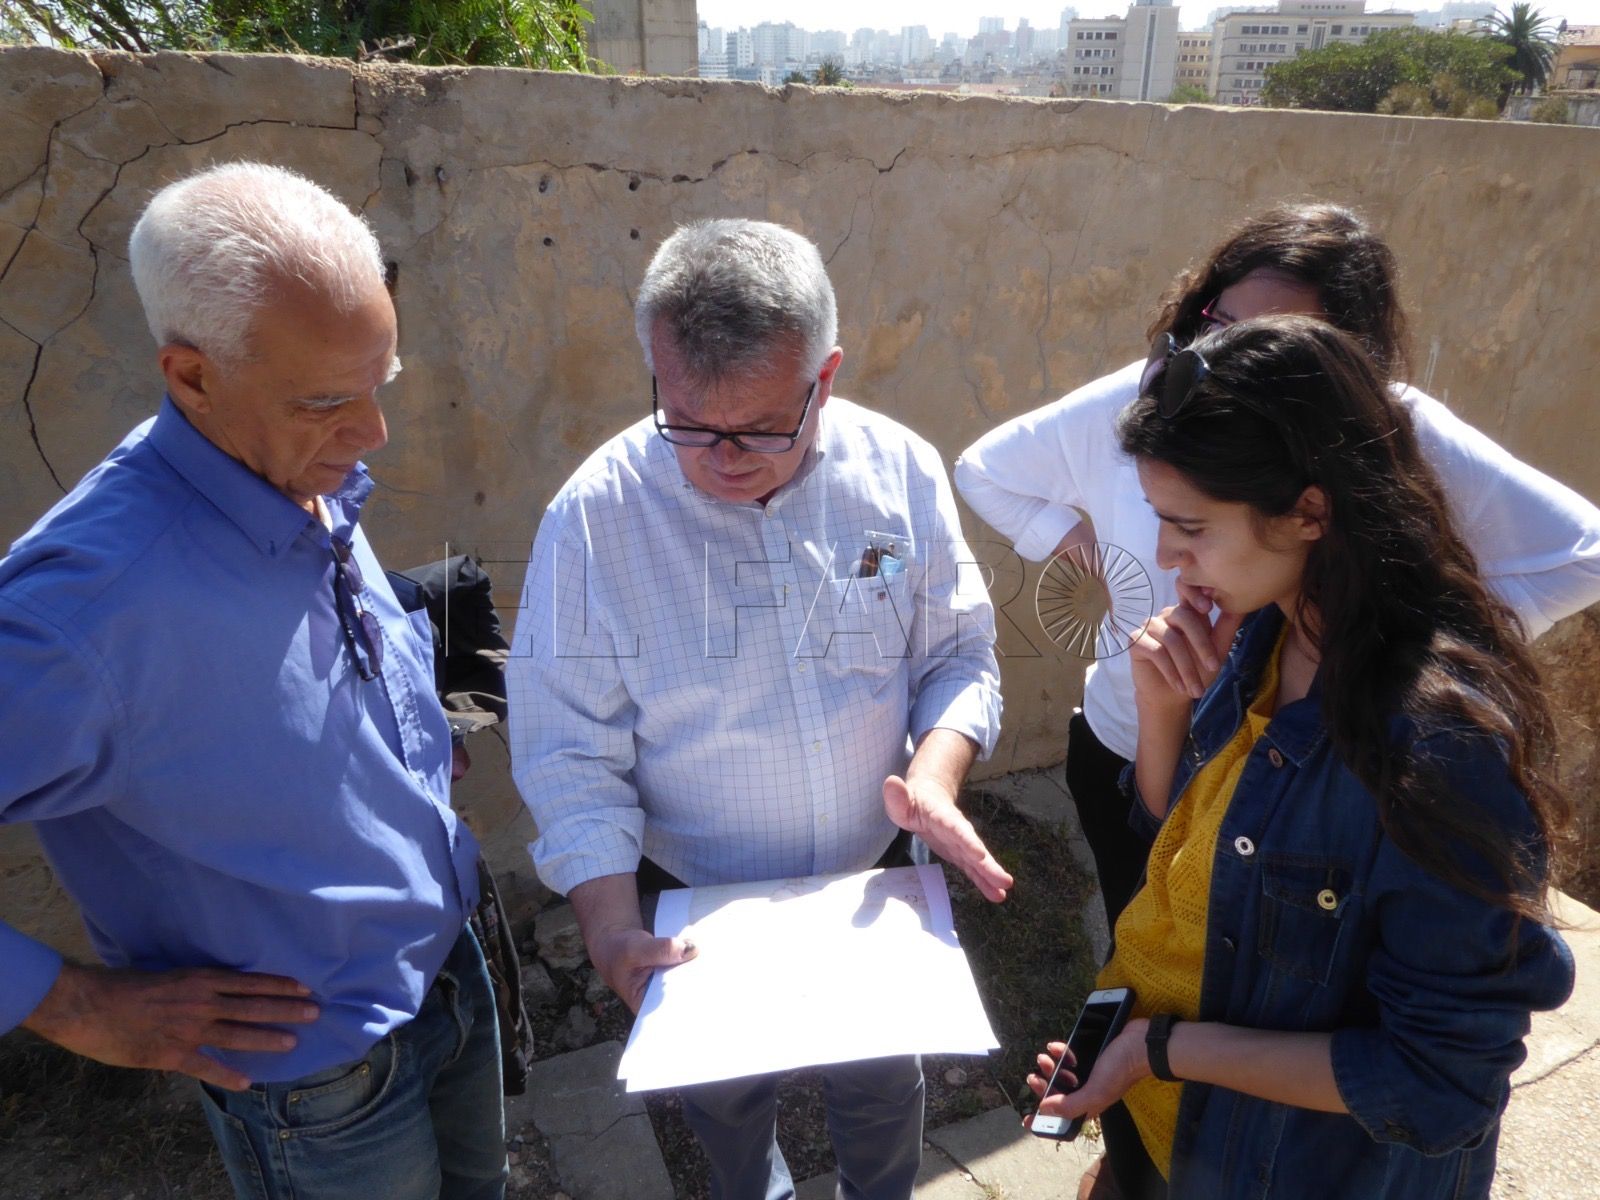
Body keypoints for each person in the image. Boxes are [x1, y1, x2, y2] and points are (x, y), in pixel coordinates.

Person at [0, 163, 506, 1200]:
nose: (373, 435)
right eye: (329, 400)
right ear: (190, 376)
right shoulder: (80, 612)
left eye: (381, 383)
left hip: (447, 983)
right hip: (321, 1081)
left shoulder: (290, 469)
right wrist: (77, 1008)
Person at [508, 218, 1009, 1200]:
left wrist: (935, 775)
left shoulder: (897, 473)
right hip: (699, 903)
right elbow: (570, 753)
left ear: (824, 376)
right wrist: (610, 926)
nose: (721, 458)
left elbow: (956, 650)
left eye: (761, 427)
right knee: (727, 1112)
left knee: (880, 1089)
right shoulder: (594, 521)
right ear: (654, 366)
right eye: (687, 421)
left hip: (871, 886)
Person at [1025, 315, 1574, 1199]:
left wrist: (1156, 1050)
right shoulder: (1263, 633)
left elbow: (1439, 1087)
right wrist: (1163, 715)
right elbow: (1190, 855)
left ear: (1309, 511)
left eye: (1190, 527)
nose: (1166, 557)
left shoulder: (1436, 750)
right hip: (1169, 1127)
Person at [954, 202, 1600, 932]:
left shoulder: (1411, 737)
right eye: (1219, 326)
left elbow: (1428, 1021)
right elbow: (1164, 837)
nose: (1228, 364)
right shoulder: (1159, 400)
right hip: (1137, 748)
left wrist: (1414, 633)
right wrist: (1096, 559)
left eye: (1274, 348)